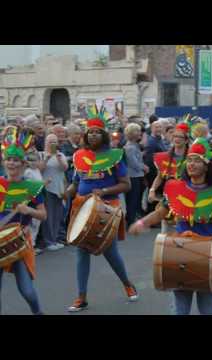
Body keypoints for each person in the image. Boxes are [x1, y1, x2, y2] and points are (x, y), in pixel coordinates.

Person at [129, 137, 212, 315]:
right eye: (189, 160)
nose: (191, 164)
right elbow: (160, 213)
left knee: (210, 310)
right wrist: (141, 222)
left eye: (197, 160)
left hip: (209, 256)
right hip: (180, 253)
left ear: (206, 165)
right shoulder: (175, 188)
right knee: (179, 310)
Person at [65, 106, 138, 312]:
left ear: (104, 134)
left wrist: (104, 191)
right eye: (90, 131)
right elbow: (76, 181)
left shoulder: (115, 155)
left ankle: (127, 283)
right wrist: (68, 191)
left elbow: (126, 184)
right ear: (86, 135)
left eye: (97, 131)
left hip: (107, 207)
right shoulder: (80, 156)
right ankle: (81, 296)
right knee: (81, 252)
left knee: (110, 251)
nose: (94, 134)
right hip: (81, 207)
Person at [0, 126, 47, 315]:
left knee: (27, 291)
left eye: (15, 160)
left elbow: (43, 215)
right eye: (8, 159)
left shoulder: (32, 187)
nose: (11, 164)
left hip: (19, 241)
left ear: (23, 164)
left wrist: (28, 210)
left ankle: (38, 313)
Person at [38, 133, 68, 251]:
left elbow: (65, 168)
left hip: (59, 189)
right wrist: (47, 158)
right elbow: (39, 170)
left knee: (57, 216)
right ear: (46, 142)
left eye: (55, 141)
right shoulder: (41, 155)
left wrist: (59, 159)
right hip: (47, 188)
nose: (53, 144)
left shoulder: (61, 155)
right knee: (48, 216)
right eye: (50, 141)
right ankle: (48, 241)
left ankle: (54, 239)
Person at [124, 123, 149, 227]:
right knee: (132, 199)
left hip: (135, 176)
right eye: (137, 131)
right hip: (133, 176)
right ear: (132, 133)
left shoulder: (133, 146)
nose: (140, 133)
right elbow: (134, 163)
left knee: (134, 199)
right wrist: (144, 167)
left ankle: (130, 219)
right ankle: (130, 221)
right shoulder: (130, 147)